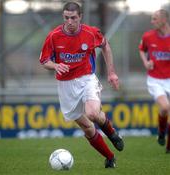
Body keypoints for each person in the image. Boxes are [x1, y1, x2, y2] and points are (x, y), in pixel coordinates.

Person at [39, 2, 124, 168]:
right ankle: (109, 157)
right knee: (87, 127)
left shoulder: (90, 33)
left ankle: (112, 133)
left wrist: (111, 72)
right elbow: (44, 61)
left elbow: (105, 46)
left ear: (80, 17)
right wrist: (55, 65)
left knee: (92, 113)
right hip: (65, 86)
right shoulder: (54, 36)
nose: (69, 22)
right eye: (66, 18)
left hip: (86, 79)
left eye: (73, 18)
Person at [139, 9, 170, 153]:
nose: (152, 22)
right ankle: (162, 132)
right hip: (155, 79)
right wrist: (146, 62)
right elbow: (141, 49)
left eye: (155, 19)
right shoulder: (148, 36)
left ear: (164, 20)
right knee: (165, 107)